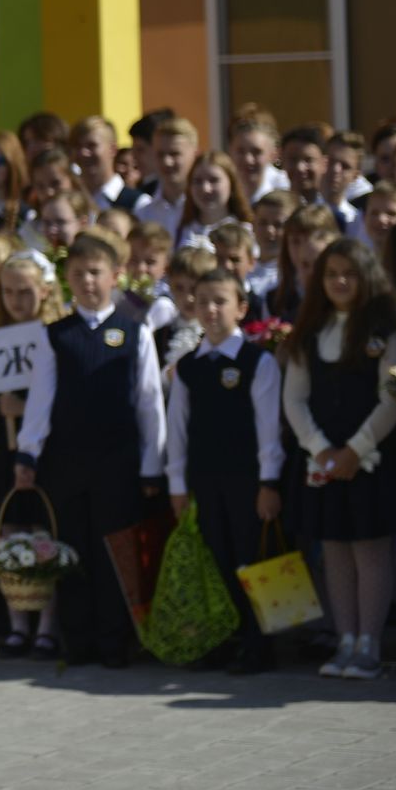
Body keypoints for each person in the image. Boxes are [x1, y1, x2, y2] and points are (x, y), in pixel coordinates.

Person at [15, 228, 167, 668]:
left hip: (117, 462)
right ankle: (76, 639)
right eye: (78, 273)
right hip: (66, 461)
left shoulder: (133, 332)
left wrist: (151, 466)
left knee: (113, 552)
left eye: (95, 272)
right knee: (72, 549)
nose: (87, 281)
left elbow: (149, 404)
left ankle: (114, 641)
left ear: (115, 275)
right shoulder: (56, 335)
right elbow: (41, 398)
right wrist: (28, 453)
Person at [280, 240, 396, 681]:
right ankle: (344, 638)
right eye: (331, 274)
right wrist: (321, 451)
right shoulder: (310, 331)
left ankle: (369, 642)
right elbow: (294, 400)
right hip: (324, 463)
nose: (340, 281)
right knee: (333, 550)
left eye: (349, 273)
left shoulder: (386, 334)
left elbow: (393, 398)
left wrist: (356, 449)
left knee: (370, 551)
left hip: (370, 460)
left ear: (366, 276)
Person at [165, 268, 284, 675]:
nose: (211, 310)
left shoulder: (258, 362)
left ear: (242, 308)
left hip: (247, 480)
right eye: (203, 302)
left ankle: (259, 642)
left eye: (221, 301)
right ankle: (224, 637)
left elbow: (269, 429)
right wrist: (177, 485)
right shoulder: (188, 368)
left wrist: (269, 482)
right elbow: (177, 430)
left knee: (250, 558)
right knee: (215, 558)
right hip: (204, 479)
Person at [0, 251, 66, 660]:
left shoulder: (56, 335)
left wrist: (25, 409)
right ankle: (17, 624)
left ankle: (48, 627)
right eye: (9, 292)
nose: (17, 300)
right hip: (4, 446)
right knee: (9, 532)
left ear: (45, 290)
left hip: (44, 451)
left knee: (43, 532)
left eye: (26, 291)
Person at [267, 202, 340, 321]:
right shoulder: (275, 299)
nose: (303, 249)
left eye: (313, 239)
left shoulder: (342, 293)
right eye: (296, 241)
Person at [70, 115, 146, 215]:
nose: (83, 152)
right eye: (77, 146)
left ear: (113, 149)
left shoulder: (139, 204)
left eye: (91, 145)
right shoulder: (69, 201)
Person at [179, 150, 252, 249]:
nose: (205, 189)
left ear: (232, 184)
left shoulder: (246, 232)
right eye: (198, 181)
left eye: (214, 180)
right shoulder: (182, 230)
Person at [228, 110, 288, 204]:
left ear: (274, 154)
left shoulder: (286, 188)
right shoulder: (221, 188)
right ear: (230, 151)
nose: (248, 160)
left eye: (256, 152)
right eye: (240, 151)